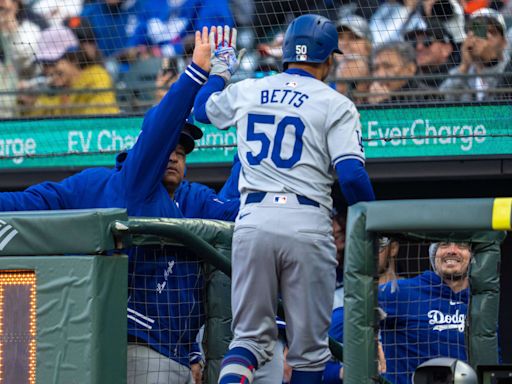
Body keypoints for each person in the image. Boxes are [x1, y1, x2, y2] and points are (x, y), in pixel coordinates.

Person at [0, 26, 214, 383]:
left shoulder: (194, 200)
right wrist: (194, 76)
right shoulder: (118, 183)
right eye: (168, 148)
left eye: (182, 151)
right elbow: (30, 202)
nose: (174, 156)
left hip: (174, 356)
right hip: (138, 355)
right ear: (147, 150)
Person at [194, 15, 375, 384]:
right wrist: (374, 218)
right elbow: (352, 177)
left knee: (247, 341)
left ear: (287, 53)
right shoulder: (335, 103)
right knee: (309, 352)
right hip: (307, 221)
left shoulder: (250, 88)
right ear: (328, 58)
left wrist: (219, 73)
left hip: (254, 219)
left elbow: (201, 110)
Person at [379, 242, 471, 384]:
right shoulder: (402, 292)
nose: (452, 251)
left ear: (472, 255)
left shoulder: (480, 302)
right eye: (444, 244)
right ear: (434, 253)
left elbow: (493, 358)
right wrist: (371, 342)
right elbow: (343, 318)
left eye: (462, 245)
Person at [24, 26, 120, 117]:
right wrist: (30, 105)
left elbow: (94, 126)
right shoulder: (57, 93)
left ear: (73, 57)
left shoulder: (97, 79)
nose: (47, 71)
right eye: (44, 64)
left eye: (52, 63)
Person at [439, 8, 510, 101]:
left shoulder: (508, 70)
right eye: (478, 30)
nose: (485, 37)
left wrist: (490, 63)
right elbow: (441, 102)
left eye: (492, 32)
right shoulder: (461, 72)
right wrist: (464, 66)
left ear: (504, 42)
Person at [367, 41, 435, 104]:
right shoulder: (367, 97)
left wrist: (383, 104)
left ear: (410, 69)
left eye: (388, 67)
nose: (380, 75)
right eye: (375, 68)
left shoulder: (430, 98)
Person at [404, 20, 460, 88]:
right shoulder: (408, 82)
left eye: (427, 41)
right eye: (414, 43)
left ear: (446, 49)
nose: (419, 47)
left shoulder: (461, 75)